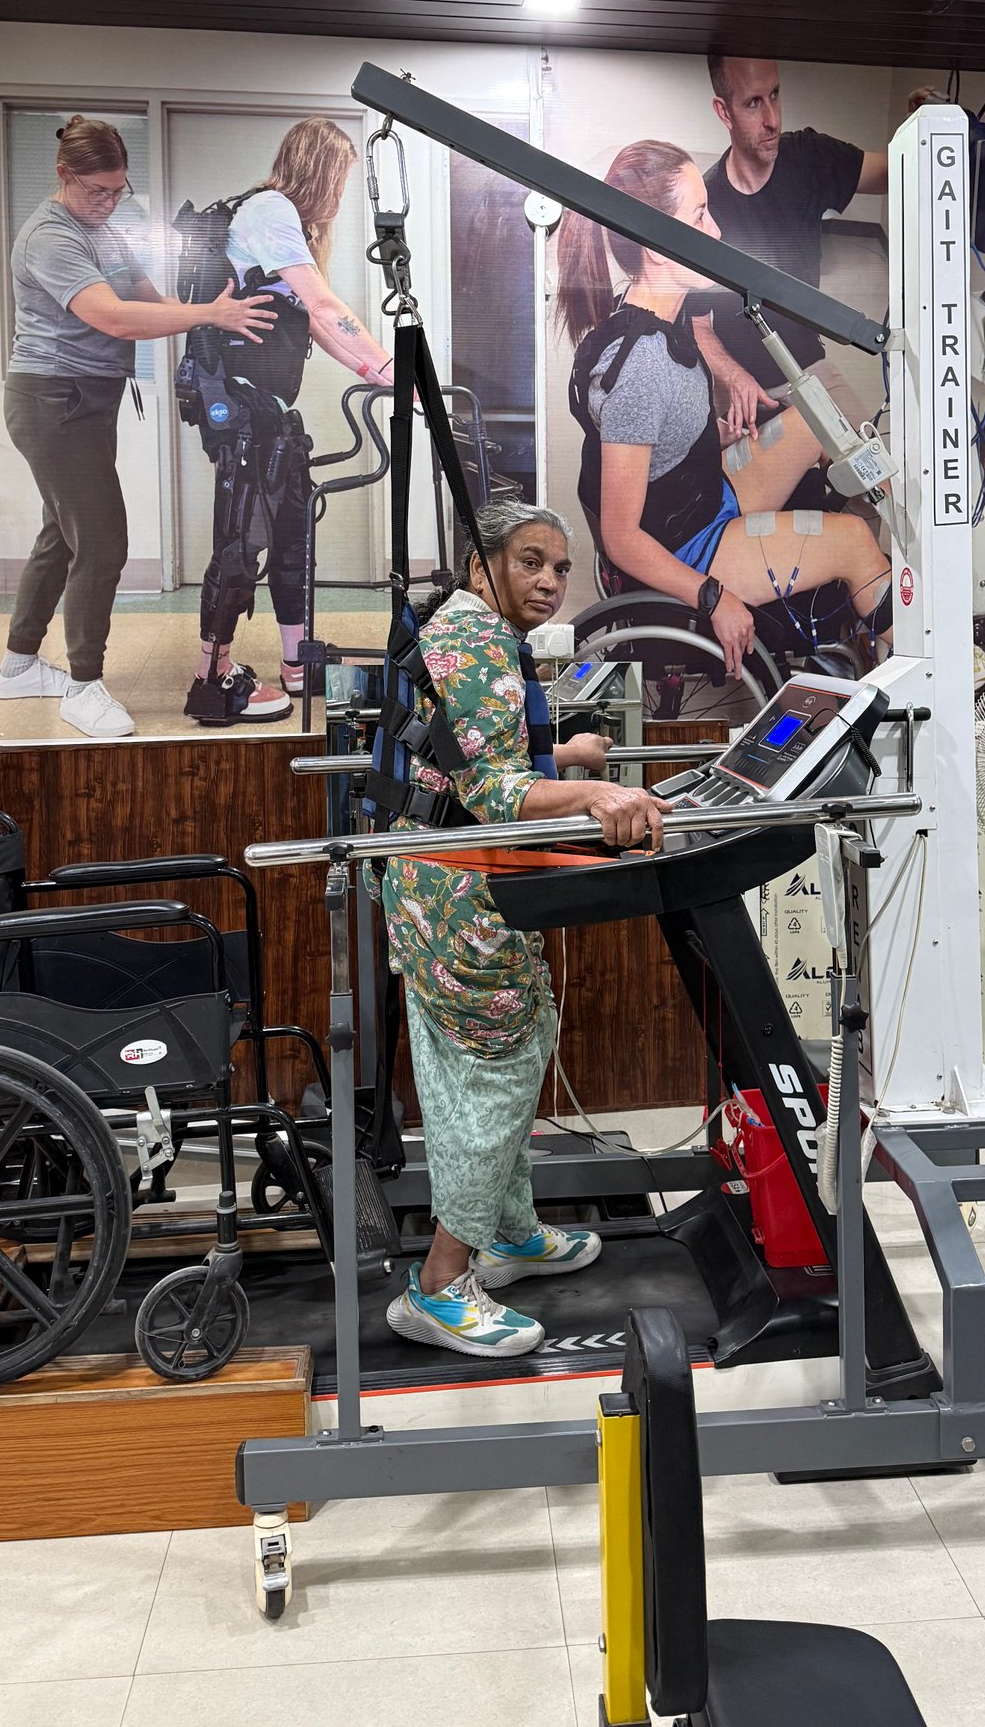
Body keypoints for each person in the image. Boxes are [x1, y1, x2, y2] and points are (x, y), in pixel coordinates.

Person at [379, 502, 665, 1359]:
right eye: (530, 561)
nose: (548, 581)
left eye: (560, 567)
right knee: (497, 1071)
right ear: (482, 566)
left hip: (433, 884)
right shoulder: (481, 648)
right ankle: (439, 1285)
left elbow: (463, 758)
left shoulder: (465, 629)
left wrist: (563, 758)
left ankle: (507, 1231)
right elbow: (495, 795)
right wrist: (597, 792)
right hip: (461, 893)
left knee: (523, 1035)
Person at [557, 140, 892, 681]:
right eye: (700, 216)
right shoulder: (640, 366)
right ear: (659, 246)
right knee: (854, 541)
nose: (715, 232)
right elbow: (620, 539)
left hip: (701, 495)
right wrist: (713, 597)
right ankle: (934, 684)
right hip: (688, 548)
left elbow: (655, 437)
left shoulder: (662, 320)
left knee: (814, 418)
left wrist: (710, 433)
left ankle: (859, 596)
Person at [0, 115, 277, 740]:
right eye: (96, 190)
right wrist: (208, 315)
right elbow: (116, 318)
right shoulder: (50, 237)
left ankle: (18, 665)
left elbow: (149, 299)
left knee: (63, 532)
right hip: (52, 401)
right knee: (102, 543)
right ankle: (83, 687)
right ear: (64, 175)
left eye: (118, 190)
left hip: (88, 400)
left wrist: (215, 313)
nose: (108, 201)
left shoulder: (106, 232)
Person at [185, 118, 394, 725]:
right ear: (317, 171)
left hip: (268, 409)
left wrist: (382, 376)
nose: (340, 196)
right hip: (241, 405)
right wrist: (396, 368)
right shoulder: (270, 210)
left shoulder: (287, 229)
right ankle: (211, 678)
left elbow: (315, 323)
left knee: (293, 529)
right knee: (242, 541)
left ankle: (298, 663)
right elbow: (326, 307)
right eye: (339, 181)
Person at [691, 53, 887, 434]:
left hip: (807, 369)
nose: (773, 120)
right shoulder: (706, 205)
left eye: (775, 95)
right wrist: (733, 377)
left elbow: (895, 172)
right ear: (724, 112)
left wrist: (920, 128)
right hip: (740, 388)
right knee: (738, 474)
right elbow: (697, 325)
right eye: (753, 103)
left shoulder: (808, 158)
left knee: (871, 466)